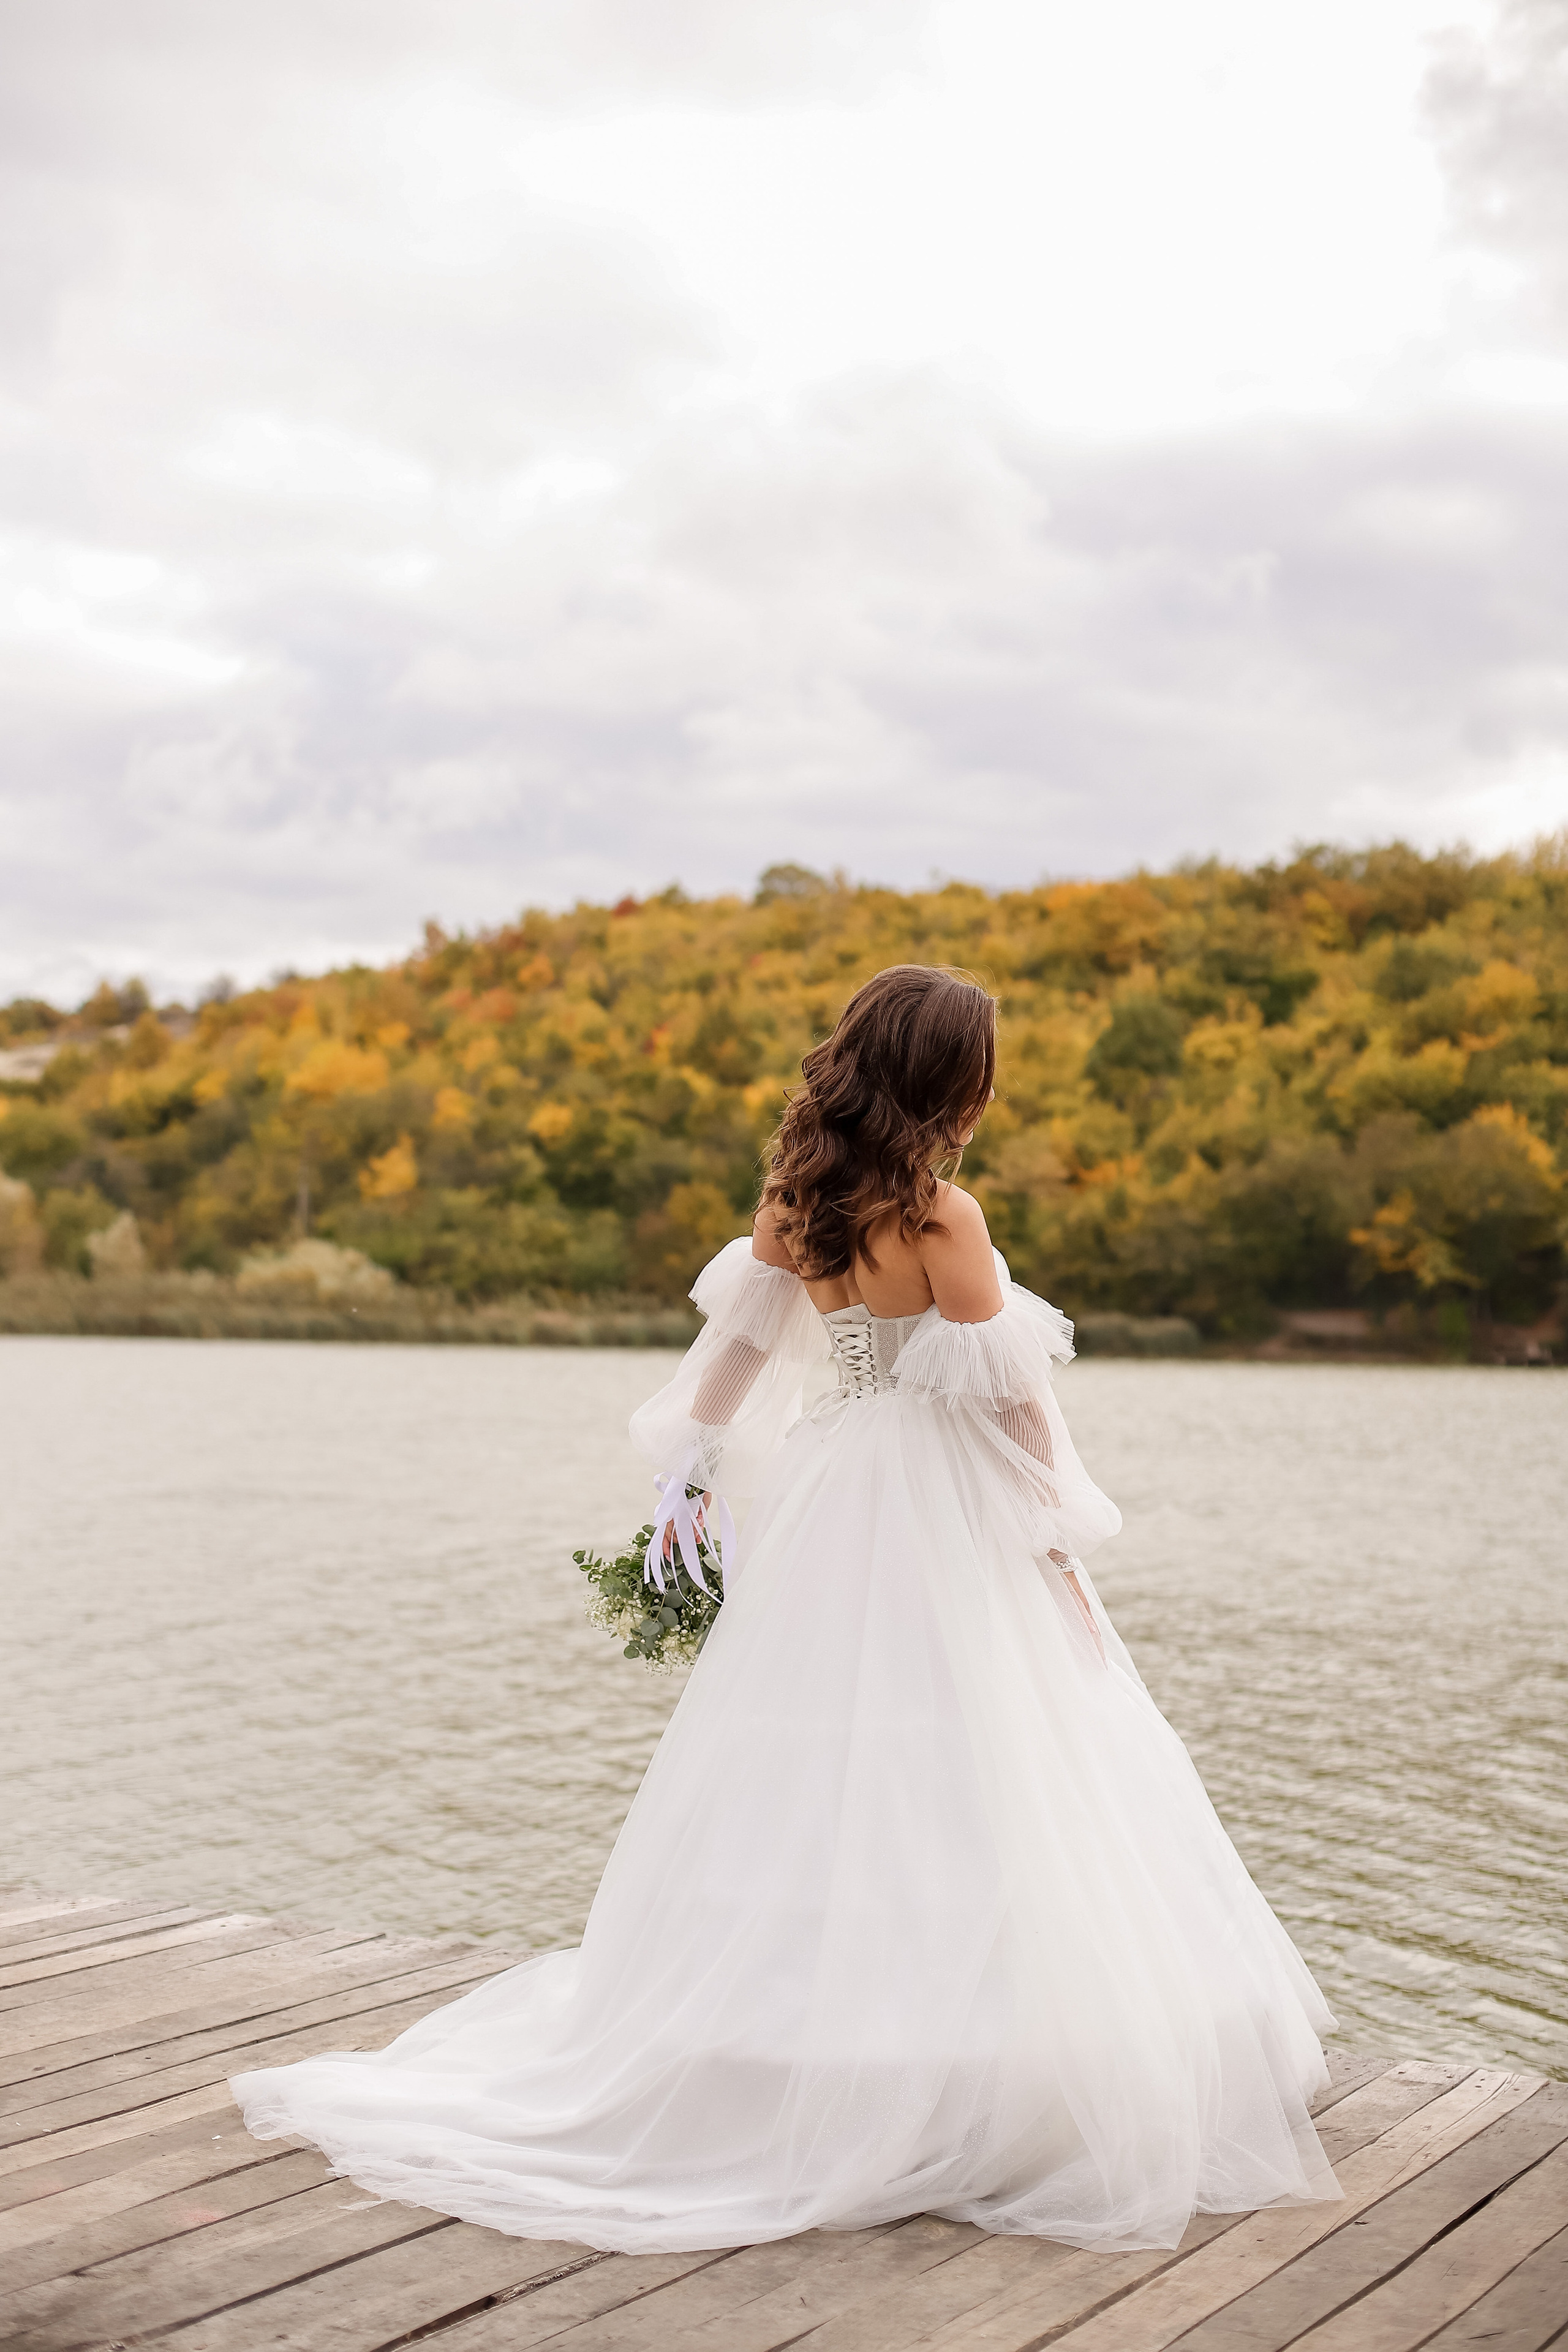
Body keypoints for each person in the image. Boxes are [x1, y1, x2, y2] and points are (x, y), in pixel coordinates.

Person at [233, 964, 1340, 2254]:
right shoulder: (942, 1218)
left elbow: (739, 1352)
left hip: (831, 1485)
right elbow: (1009, 1399)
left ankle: (799, 2038)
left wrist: (687, 1475)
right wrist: (1059, 1532)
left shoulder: (797, 1199)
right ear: (947, 1081)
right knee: (995, 1744)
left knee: (820, 1750)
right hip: (938, 1495)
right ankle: (966, 2052)